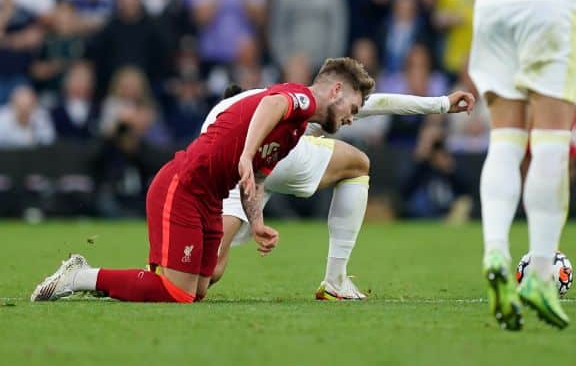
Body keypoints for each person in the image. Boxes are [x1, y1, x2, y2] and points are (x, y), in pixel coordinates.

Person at [30, 57, 376, 303]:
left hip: (208, 199)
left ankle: (123, 281)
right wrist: (246, 151)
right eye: (354, 107)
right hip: (181, 187)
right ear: (336, 90)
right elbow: (272, 104)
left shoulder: (295, 130)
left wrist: (256, 223)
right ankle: (78, 276)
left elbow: (255, 177)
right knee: (177, 293)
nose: (351, 118)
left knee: (200, 287)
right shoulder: (299, 98)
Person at [209, 88, 475, 300]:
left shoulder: (220, 116)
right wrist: (441, 104)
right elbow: (374, 103)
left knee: (210, 270)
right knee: (358, 164)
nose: (349, 117)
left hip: (231, 163)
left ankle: (170, 266)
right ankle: (335, 281)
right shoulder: (294, 99)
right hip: (264, 159)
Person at [468, 0, 576, 330]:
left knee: (505, 140)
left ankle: (495, 251)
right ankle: (541, 274)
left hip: (492, 7)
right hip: (549, 6)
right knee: (551, 144)